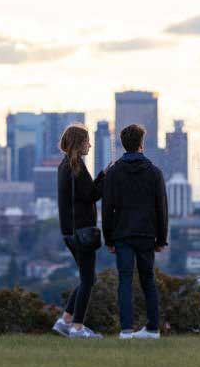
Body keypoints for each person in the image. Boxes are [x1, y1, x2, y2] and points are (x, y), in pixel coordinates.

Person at [101, 123, 168, 340]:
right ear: (141, 143)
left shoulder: (113, 173)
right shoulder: (154, 173)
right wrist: (162, 238)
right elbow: (162, 209)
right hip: (147, 234)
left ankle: (126, 330)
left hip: (122, 234)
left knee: (125, 280)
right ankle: (153, 329)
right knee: (148, 279)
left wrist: (108, 237)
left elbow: (106, 207)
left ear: (123, 144)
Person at [52, 124, 105, 340]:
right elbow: (92, 194)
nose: (90, 145)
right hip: (82, 231)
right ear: (79, 143)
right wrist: (105, 176)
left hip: (69, 232)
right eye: (87, 141)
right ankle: (77, 326)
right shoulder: (77, 167)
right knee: (88, 280)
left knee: (87, 277)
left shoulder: (64, 166)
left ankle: (65, 320)